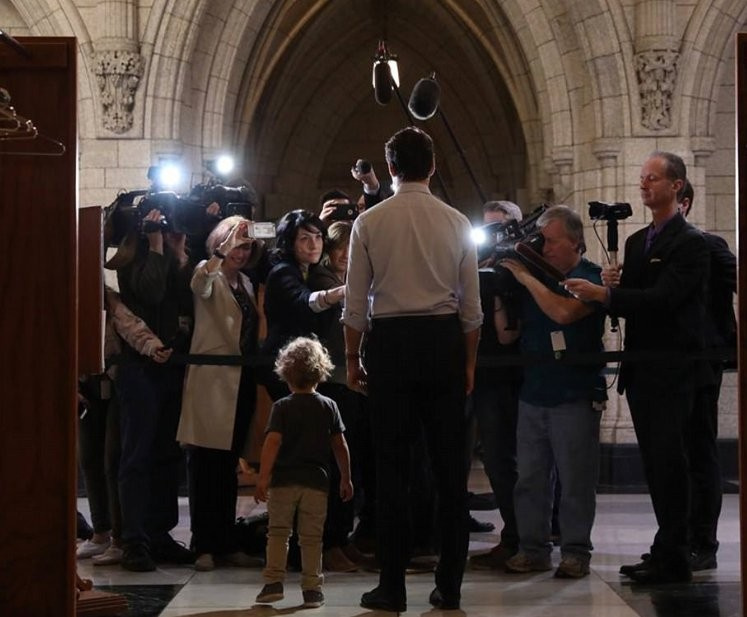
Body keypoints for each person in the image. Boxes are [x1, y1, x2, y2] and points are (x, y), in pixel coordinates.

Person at [343, 126, 482, 612]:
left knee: (392, 470)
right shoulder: (457, 221)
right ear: (433, 166)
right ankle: (450, 585)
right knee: (450, 472)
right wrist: (467, 363)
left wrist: (351, 360)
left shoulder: (371, 222)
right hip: (443, 341)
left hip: (392, 346)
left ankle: (392, 586)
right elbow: (472, 308)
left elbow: (355, 305)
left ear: (392, 169)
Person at [565, 151, 710, 584]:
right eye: (642, 178)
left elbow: (666, 299)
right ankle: (665, 547)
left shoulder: (691, 243)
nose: (644, 184)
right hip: (643, 369)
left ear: (677, 186)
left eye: (653, 178)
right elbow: (638, 298)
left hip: (673, 369)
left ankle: (677, 553)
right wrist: (617, 286)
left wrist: (604, 295)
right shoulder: (636, 240)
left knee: (672, 463)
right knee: (656, 464)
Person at [493, 205, 605, 579]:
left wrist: (525, 279)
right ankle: (533, 549)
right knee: (530, 479)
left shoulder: (590, 278)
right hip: (534, 391)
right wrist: (500, 290)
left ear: (575, 242)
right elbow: (508, 334)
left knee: (575, 479)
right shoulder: (536, 276)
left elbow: (563, 314)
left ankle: (575, 552)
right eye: (539, 241)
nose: (544, 249)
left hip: (574, 393)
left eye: (552, 241)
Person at [177, 216, 263, 572]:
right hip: (211, 378)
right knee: (205, 465)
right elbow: (200, 285)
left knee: (228, 465)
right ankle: (204, 544)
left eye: (246, 247)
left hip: (239, 378)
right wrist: (220, 251)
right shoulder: (206, 270)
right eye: (235, 246)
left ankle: (226, 541)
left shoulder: (244, 281)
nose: (240, 253)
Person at [112, 208, 195, 571]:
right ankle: (134, 539)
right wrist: (156, 244)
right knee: (138, 454)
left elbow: (179, 298)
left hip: (170, 367)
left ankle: (160, 533)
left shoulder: (170, 255)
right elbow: (150, 289)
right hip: (138, 367)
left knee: (166, 453)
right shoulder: (129, 262)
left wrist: (175, 252)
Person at [254, 336, 353, 609]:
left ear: (285, 373)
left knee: (278, 533)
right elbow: (339, 445)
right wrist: (346, 477)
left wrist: (263, 477)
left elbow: (272, 443)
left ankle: (274, 582)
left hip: (284, 482)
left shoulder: (282, 407)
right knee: (311, 538)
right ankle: (312, 589)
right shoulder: (328, 406)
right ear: (321, 372)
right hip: (317, 484)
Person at [77, 287, 173, 566]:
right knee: (89, 459)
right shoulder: (69, 300)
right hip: (86, 385)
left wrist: (153, 346)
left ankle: (119, 538)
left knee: (112, 458)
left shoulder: (107, 298)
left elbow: (130, 325)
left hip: (115, 383)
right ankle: (100, 532)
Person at [677, 180, 735, 570]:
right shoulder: (657, 245)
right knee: (679, 454)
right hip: (672, 364)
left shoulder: (708, 244)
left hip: (702, 362)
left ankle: (704, 541)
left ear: (685, 202)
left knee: (700, 451)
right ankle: (679, 538)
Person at [468, 200, 524, 569]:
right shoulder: (473, 267)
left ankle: (524, 534)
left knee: (516, 461)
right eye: (487, 229)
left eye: (500, 229)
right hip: (482, 374)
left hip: (514, 376)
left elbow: (510, 333)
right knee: (496, 459)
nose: (493, 237)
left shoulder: (524, 268)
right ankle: (516, 533)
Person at [259, 209, 344, 401]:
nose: (314, 245)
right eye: (305, 238)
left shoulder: (312, 271)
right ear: (290, 243)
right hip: (284, 365)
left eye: (318, 237)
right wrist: (343, 291)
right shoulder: (283, 271)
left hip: (303, 364)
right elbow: (302, 301)